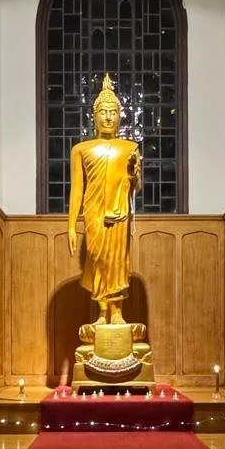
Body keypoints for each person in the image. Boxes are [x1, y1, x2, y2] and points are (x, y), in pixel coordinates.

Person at [67, 74, 141, 323]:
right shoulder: (81, 149)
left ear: (120, 116)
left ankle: (117, 311)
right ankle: (101, 312)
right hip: (94, 212)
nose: (108, 117)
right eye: (103, 112)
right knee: (97, 258)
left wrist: (134, 174)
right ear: (94, 116)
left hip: (119, 212)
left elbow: (136, 187)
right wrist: (70, 226)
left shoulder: (130, 148)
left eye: (113, 112)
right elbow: (77, 189)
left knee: (118, 259)